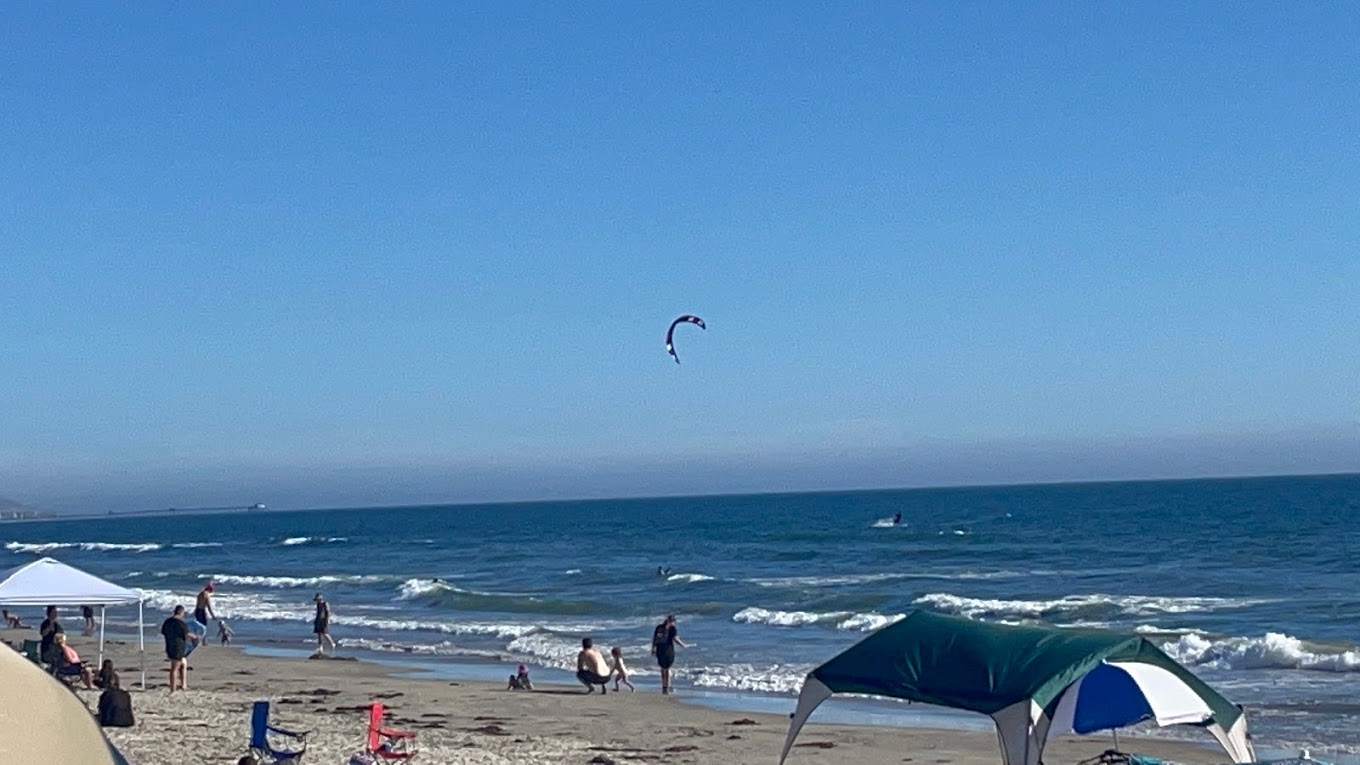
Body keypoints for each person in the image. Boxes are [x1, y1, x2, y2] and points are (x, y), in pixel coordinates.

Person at [651, 614, 686, 695]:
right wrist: (683, 645)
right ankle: (666, 687)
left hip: (664, 650)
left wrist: (682, 644)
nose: (673, 623)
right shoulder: (665, 628)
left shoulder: (666, 628)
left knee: (665, 668)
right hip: (664, 650)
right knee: (665, 668)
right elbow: (656, 639)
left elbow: (673, 638)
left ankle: (666, 687)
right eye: (672, 621)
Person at [161, 605, 191, 693]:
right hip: (178, 647)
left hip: (169, 645)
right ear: (181, 612)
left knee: (183, 664)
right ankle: (173, 689)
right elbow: (187, 635)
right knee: (175, 668)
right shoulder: (181, 623)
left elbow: (163, 632)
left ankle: (183, 685)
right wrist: (195, 636)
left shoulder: (167, 622)